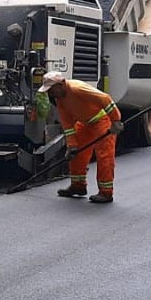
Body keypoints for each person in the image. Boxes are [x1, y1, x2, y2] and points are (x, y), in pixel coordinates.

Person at [38, 71, 124, 203]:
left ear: (60, 85)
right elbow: (67, 124)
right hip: (84, 123)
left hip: (102, 121)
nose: (49, 93)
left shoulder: (77, 88)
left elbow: (105, 98)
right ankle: (78, 186)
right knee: (77, 153)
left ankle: (106, 193)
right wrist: (72, 146)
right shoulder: (59, 100)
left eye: (51, 89)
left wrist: (115, 120)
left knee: (104, 156)